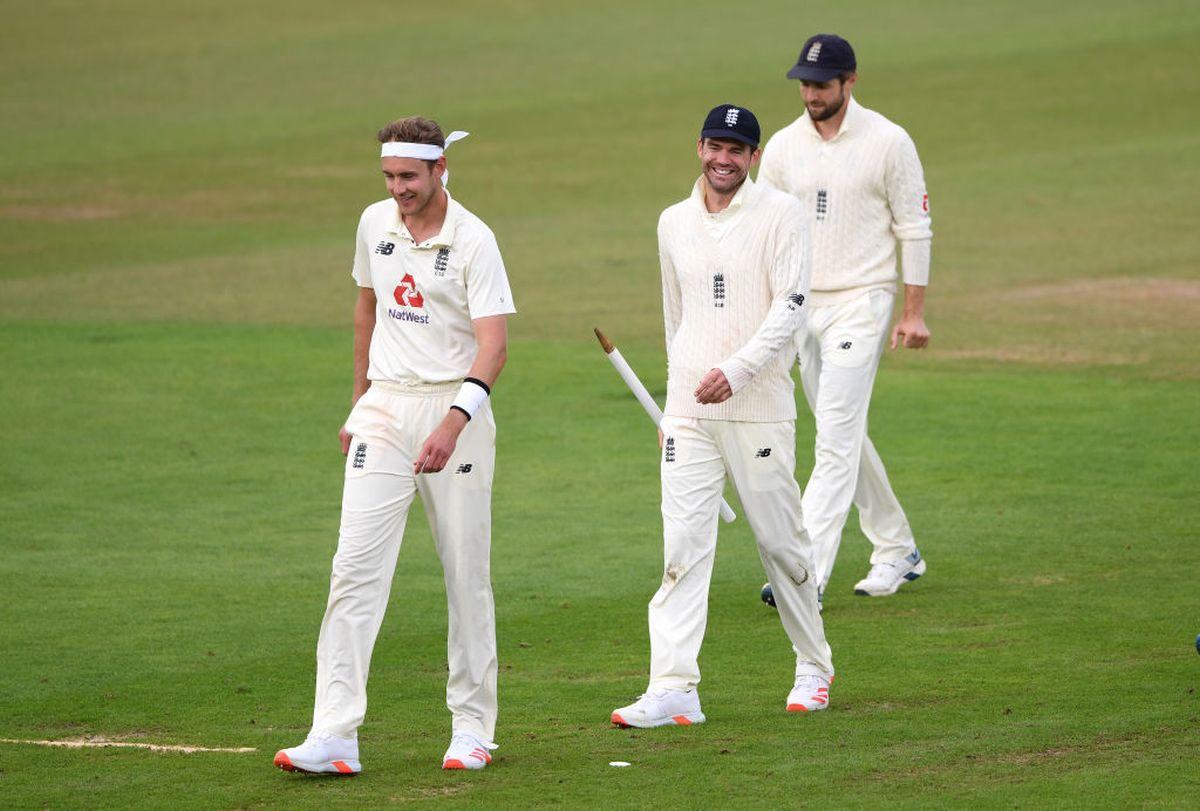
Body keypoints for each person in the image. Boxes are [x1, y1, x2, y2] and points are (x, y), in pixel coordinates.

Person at [274, 116, 515, 774]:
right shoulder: (373, 223)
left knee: (465, 575)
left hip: (453, 410)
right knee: (353, 569)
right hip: (385, 407)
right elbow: (366, 309)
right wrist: (360, 401)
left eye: (409, 176)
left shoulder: (474, 239)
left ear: (441, 170)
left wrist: (452, 423)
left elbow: (493, 347)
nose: (398, 188)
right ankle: (334, 730)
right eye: (389, 176)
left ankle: (472, 727)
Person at [611, 104, 835, 728]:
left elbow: (791, 305)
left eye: (737, 149)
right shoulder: (672, 222)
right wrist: (671, 402)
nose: (724, 158)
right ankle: (674, 686)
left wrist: (735, 371)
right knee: (681, 548)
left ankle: (813, 665)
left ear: (754, 157)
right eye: (715, 145)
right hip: (688, 415)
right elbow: (674, 317)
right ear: (699, 147)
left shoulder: (781, 215)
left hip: (758, 409)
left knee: (778, 541)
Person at [758, 34, 933, 605]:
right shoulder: (784, 147)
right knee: (843, 430)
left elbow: (914, 226)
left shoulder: (889, 141)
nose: (811, 94)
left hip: (865, 297)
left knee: (833, 436)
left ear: (850, 81)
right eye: (805, 84)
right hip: (802, 303)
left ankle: (802, 572)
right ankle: (897, 548)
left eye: (822, 84)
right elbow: (763, 230)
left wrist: (913, 312)